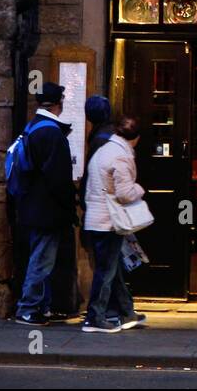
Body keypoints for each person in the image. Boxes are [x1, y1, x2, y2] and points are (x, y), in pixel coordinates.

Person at [14, 82, 78, 326]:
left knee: (40, 257)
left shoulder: (32, 127)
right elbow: (58, 178)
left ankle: (41, 305)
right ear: (58, 104)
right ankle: (28, 308)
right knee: (42, 260)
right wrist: (69, 208)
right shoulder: (51, 133)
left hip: (32, 206)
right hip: (47, 210)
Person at [81, 116, 149, 333]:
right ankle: (94, 317)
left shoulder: (104, 150)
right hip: (108, 221)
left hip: (97, 217)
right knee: (106, 270)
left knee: (112, 268)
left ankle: (126, 311)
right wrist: (140, 189)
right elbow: (125, 193)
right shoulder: (121, 156)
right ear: (135, 138)